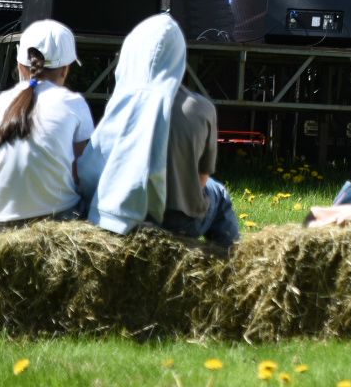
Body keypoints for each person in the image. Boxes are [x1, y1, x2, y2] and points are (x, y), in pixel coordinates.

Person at [78, 13, 240, 249]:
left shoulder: (122, 103)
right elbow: (202, 180)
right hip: (181, 224)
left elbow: (91, 170)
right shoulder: (202, 108)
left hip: (120, 221)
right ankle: (232, 266)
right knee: (219, 192)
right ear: (179, 55)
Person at [0, 20, 93, 231]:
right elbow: (82, 170)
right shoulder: (74, 103)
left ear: (20, 66)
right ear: (65, 70)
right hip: (55, 219)